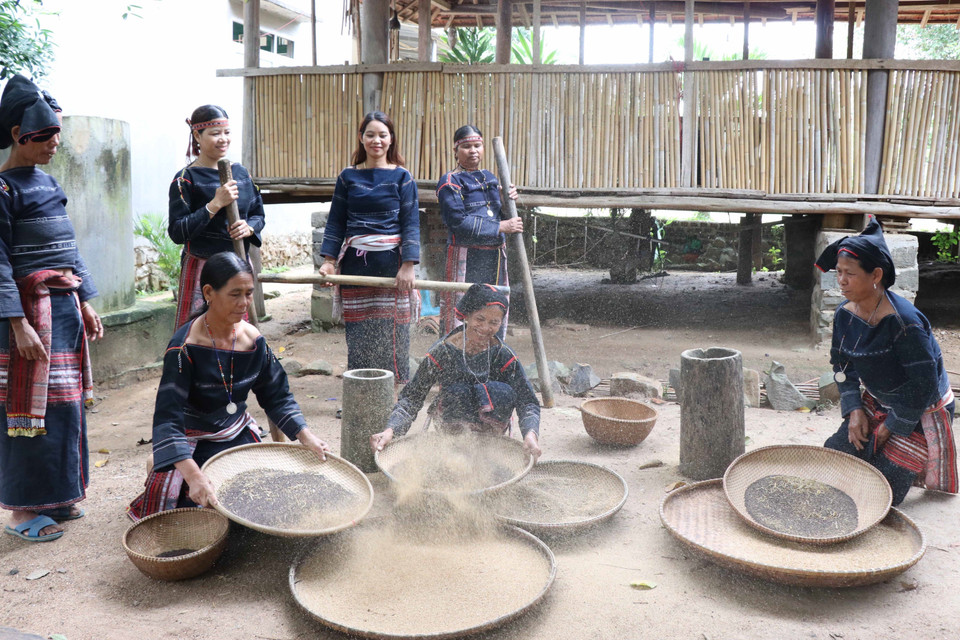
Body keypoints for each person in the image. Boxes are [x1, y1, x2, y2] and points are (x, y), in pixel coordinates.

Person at [128, 252, 329, 520]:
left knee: (264, 493)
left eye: (249, 293)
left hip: (236, 433)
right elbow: (168, 420)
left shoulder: (253, 340)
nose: (245, 303)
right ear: (209, 292)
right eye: (235, 294)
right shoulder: (184, 347)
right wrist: (193, 475)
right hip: (194, 440)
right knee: (198, 504)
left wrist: (305, 436)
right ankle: (163, 465)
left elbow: (277, 396)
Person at [0, 75, 103, 542]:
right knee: (26, 412)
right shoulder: (3, 190)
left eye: (56, 137)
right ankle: (23, 512)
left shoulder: (49, 182)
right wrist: (17, 323)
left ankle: (58, 498)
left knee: (63, 407)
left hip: (62, 311)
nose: (54, 145)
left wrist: (84, 300)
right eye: (44, 138)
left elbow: (68, 247)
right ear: (19, 136)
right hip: (26, 316)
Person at [816, 216, 955, 506]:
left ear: (876, 275)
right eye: (839, 272)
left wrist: (890, 427)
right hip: (878, 399)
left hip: (920, 407)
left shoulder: (905, 323)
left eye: (850, 273)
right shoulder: (845, 314)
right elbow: (841, 367)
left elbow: (924, 385)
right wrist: (854, 409)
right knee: (833, 458)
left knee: (880, 494)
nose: (841, 280)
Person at [370, 283, 541, 461]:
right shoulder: (443, 351)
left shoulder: (504, 355)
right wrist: (391, 430)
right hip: (451, 426)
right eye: (480, 319)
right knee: (458, 392)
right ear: (466, 316)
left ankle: (485, 451)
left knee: (502, 392)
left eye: (494, 322)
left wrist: (530, 434)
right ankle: (454, 452)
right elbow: (412, 397)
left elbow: (528, 401)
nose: (485, 327)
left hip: (491, 432)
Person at [318, 111, 420, 382]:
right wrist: (329, 260)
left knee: (393, 332)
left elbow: (411, 222)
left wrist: (408, 266)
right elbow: (336, 221)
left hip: (391, 264)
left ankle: (395, 395)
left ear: (391, 139)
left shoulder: (403, 177)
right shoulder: (348, 177)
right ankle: (360, 391)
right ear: (361, 139)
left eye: (382, 135)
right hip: (355, 263)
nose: (377, 140)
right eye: (370, 134)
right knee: (359, 334)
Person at [168, 104, 264, 328]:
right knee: (200, 331)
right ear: (197, 135)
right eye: (215, 133)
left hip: (238, 266)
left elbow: (259, 214)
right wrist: (214, 204)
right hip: (202, 269)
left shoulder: (241, 173)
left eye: (226, 133)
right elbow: (177, 231)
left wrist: (249, 228)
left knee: (238, 331)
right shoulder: (185, 179)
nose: (223, 139)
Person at [436, 125, 520, 338]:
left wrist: (505, 200)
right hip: (467, 255)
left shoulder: (490, 178)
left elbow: (498, 212)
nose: (473, 150)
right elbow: (458, 222)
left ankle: (490, 354)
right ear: (456, 151)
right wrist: (501, 226)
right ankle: (455, 354)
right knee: (464, 307)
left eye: (477, 145)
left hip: (494, 257)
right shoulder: (450, 181)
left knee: (492, 305)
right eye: (466, 146)